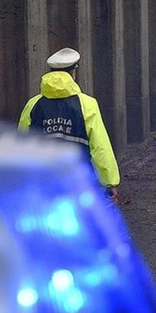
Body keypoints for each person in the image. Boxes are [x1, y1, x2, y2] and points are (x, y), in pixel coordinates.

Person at [20, 47, 120, 201]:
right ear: (74, 73)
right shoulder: (87, 104)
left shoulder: (32, 105)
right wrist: (109, 182)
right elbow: (100, 146)